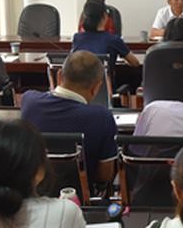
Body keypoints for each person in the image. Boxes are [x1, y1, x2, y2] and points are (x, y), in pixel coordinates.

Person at [20, 50, 118, 190]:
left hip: (33, 191)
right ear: (96, 87)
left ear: (59, 75)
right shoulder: (102, 117)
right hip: (79, 196)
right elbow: (105, 175)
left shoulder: (29, 100)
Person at [72, 0, 139, 68]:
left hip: (79, 75)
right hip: (102, 75)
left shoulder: (77, 38)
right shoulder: (113, 40)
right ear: (104, 16)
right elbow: (135, 63)